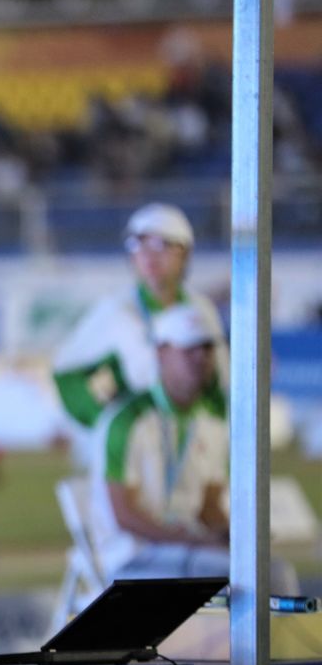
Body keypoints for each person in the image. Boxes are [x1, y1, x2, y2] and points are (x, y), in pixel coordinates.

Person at [88, 302, 295, 590]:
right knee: (257, 578)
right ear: (161, 352)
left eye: (207, 348)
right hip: (133, 556)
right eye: (189, 348)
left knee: (271, 569)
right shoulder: (126, 419)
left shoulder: (211, 421)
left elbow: (209, 506)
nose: (200, 357)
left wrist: (233, 537)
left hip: (187, 550)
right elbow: (125, 515)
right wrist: (192, 540)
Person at [52, 202, 228, 437]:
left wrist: (219, 431)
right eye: (138, 244)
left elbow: (221, 384)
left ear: (185, 253)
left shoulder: (201, 310)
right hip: (138, 445)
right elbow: (66, 370)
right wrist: (104, 424)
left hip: (195, 440)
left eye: (162, 244)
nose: (149, 255)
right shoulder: (116, 311)